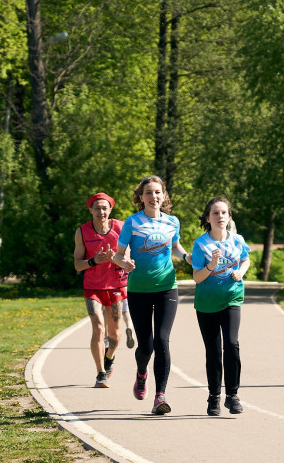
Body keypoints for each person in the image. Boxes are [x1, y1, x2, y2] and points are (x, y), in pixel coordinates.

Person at [112, 176, 192, 415]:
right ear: (141, 197)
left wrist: (188, 258)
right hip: (138, 290)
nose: (153, 196)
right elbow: (117, 254)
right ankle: (141, 373)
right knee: (145, 346)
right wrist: (124, 262)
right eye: (148, 192)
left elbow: (176, 247)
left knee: (162, 341)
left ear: (163, 195)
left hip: (167, 287)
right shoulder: (132, 222)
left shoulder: (172, 222)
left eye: (157, 192)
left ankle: (160, 396)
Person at [191, 197, 251, 416]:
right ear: (208, 218)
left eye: (224, 213)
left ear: (229, 217)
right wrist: (211, 265)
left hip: (231, 298)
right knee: (213, 352)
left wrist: (241, 272)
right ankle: (214, 397)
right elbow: (197, 278)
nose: (220, 217)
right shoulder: (201, 244)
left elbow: (245, 259)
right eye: (215, 213)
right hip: (206, 304)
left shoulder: (237, 240)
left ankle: (232, 395)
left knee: (232, 344)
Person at [74, 192, 127, 388]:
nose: (101, 211)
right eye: (97, 208)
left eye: (104, 208)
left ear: (110, 209)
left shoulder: (121, 228)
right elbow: (78, 265)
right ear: (90, 210)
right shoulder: (82, 231)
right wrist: (93, 261)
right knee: (97, 327)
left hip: (116, 286)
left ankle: (110, 357)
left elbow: (128, 254)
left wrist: (122, 260)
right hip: (93, 288)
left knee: (115, 335)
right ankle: (100, 373)